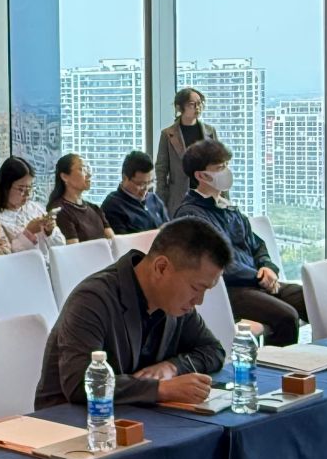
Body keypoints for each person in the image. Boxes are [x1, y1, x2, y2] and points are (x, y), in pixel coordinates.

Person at [34, 216, 231, 410]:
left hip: (136, 413)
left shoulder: (174, 302)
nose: (199, 301)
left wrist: (173, 367)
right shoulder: (93, 299)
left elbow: (213, 350)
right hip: (72, 420)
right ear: (161, 268)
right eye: (196, 288)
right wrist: (160, 389)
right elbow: (81, 384)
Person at [170, 139, 308, 345]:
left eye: (226, 165)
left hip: (255, 282)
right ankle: (275, 365)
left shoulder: (227, 208)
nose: (226, 171)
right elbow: (216, 262)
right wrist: (258, 277)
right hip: (229, 290)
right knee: (286, 316)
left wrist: (267, 268)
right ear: (201, 176)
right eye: (220, 167)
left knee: (311, 299)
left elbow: (256, 244)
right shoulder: (192, 214)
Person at [152, 87, 208, 215]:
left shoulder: (209, 132)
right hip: (179, 198)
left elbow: (218, 166)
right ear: (179, 107)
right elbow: (161, 170)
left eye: (199, 103)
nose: (198, 107)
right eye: (192, 104)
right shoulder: (168, 134)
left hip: (205, 196)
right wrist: (161, 202)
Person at [0, 156, 63, 253]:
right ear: (5, 187)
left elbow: (61, 245)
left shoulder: (35, 208)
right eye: (22, 189)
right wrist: (28, 233)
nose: (28, 194)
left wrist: (50, 232)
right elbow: (6, 253)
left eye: (30, 188)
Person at [45, 154, 109, 243]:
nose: (89, 174)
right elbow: (74, 248)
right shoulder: (59, 210)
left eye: (88, 169)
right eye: (82, 169)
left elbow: (113, 240)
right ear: (64, 177)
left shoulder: (94, 208)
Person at [102, 150, 168, 235]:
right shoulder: (112, 206)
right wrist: (156, 234)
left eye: (150, 182)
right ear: (124, 178)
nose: (146, 189)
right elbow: (122, 241)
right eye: (140, 184)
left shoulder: (154, 199)